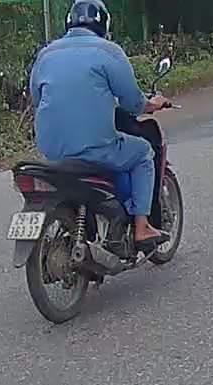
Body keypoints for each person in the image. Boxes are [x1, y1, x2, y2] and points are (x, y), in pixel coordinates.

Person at [28, 0, 170, 252]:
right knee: (143, 152)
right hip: (94, 149)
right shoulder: (108, 52)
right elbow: (133, 103)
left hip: (52, 151)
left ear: (69, 22)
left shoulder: (46, 54)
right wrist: (153, 104)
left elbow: (37, 99)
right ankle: (142, 227)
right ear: (104, 24)